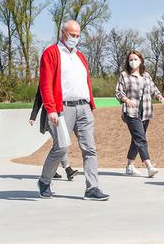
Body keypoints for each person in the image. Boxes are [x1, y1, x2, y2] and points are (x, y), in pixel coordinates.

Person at [36, 19, 109, 201]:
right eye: (72, 35)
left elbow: (85, 81)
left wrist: (90, 104)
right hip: (63, 109)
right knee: (61, 148)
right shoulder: (51, 53)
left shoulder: (80, 56)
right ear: (63, 33)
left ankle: (92, 188)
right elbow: (45, 84)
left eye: (77, 36)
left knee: (90, 149)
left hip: (83, 108)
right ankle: (45, 180)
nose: (75, 38)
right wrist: (51, 109)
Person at [115, 50, 164, 177]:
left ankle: (129, 166)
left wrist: (159, 96)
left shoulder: (146, 75)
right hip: (131, 112)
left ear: (141, 60)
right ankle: (149, 167)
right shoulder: (124, 75)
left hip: (146, 112)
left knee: (136, 139)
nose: (133, 62)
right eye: (130, 60)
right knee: (141, 139)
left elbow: (154, 89)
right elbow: (119, 92)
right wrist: (126, 100)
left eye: (135, 59)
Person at [29, 88, 81, 181]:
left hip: (61, 116)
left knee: (59, 144)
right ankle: (68, 169)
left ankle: (52, 170)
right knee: (61, 143)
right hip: (49, 118)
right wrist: (33, 116)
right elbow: (38, 98)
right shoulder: (46, 78)